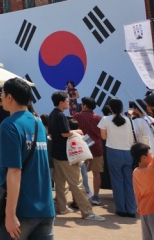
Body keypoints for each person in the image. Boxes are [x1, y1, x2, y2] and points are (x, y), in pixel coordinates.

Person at [0, 78, 54, 240]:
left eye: (2, 93)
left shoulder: (9, 125)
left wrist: (10, 214)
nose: (0, 97)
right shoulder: (38, 123)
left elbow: (14, 171)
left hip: (22, 210)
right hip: (45, 208)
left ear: (9, 97)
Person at [48, 91, 103, 221]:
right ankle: (87, 212)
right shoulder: (60, 115)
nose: (68, 103)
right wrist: (76, 131)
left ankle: (62, 207)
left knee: (61, 183)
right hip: (66, 156)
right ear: (61, 102)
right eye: (67, 101)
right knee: (77, 183)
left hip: (57, 154)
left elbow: (53, 134)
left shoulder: (52, 114)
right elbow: (65, 133)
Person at [98, 98, 137, 217]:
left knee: (117, 181)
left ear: (110, 108)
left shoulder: (105, 119)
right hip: (128, 152)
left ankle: (121, 209)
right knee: (129, 182)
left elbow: (103, 137)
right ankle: (131, 209)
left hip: (113, 151)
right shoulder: (128, 120)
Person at [131, 128, 154, 240]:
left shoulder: (135, 172)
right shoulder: (151, 170)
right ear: (143, 158)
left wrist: (139, 206)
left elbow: (136, 192)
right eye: (150, 154)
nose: (152, 156)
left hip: (144, 209)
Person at [72, 97, 103, 205]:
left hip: (82, 148)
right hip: (97, 147)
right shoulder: (98, 118)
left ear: (84, 105)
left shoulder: (77, 116)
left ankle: (80, 196)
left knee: (80, 172)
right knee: (96, 173)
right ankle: (96, 196)